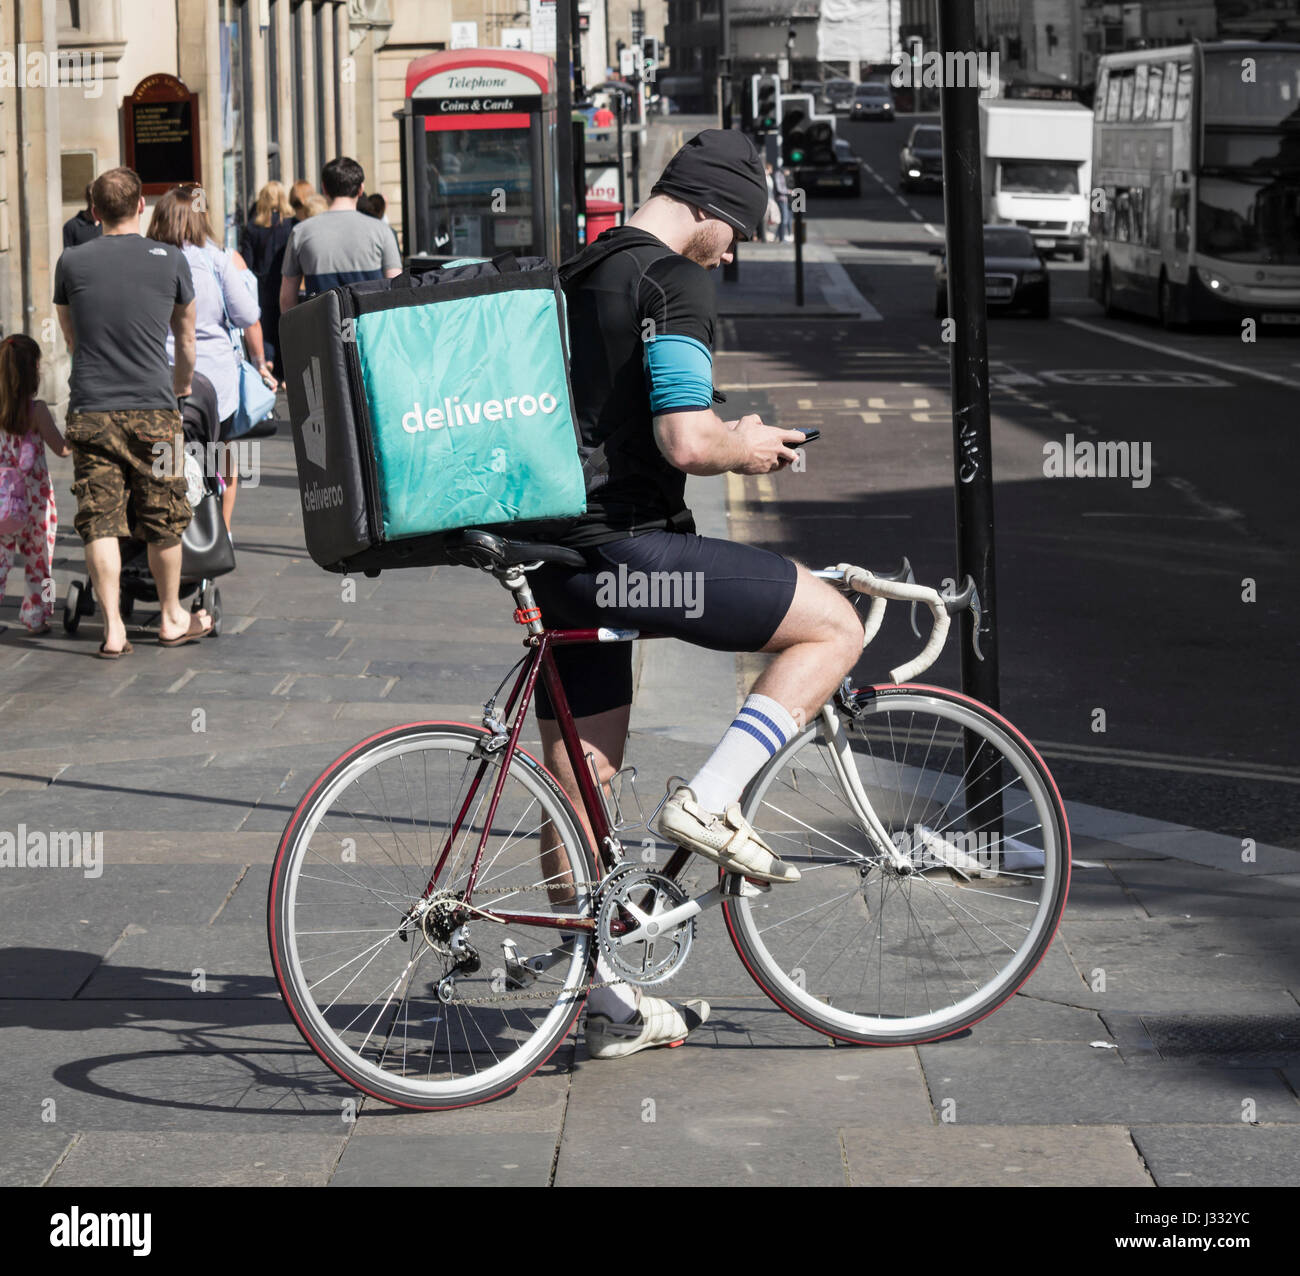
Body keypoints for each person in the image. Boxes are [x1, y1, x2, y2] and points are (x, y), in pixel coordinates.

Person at [527, 130, 864, 1058]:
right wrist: (748, 442)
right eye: (739, 232)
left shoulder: (579, 267)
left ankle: (601, 1004)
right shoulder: (672, 281)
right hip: (634, 557)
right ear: (711, 209)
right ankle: (712, 800)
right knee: (832, 626)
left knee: (579, 788)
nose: (736, 251)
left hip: (553, 553)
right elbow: (685, 440)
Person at [53, 166, 211, 654]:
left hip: (92, 407)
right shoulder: (170, 260)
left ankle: (114, 629)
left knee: (99, 518)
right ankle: (169, 616)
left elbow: (72, 336)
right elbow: (186, 339)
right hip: (154, 407)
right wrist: (180, 386)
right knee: (164, 513)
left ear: (95, 211)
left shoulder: (71, 261)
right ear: (141, 206)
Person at [148, 184, 275, 531]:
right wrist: (260, 361)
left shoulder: (149, 259)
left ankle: (173, 525)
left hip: (163, 375)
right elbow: (248, 314)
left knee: (168, 452)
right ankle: (221, 530)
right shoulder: (216, 259)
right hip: (216, 382)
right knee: (219, 450)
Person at [0, 334, 69, 634]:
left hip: (2, 500)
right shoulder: (38, 411)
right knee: (41, 562)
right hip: (36, 502)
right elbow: (62, 449)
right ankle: (39, 615)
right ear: (33, 373)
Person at [280, 157, 402, 311]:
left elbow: (287, 299)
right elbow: (397, 291)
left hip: (321, 330)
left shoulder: (301, 232)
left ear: (324, 189)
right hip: (371, 331)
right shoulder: (383, 231)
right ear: (360, 189)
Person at [239, 180, 296, 377]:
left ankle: (268, 362)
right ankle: (283, 367)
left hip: (261, 286)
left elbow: (247, 262)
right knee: (286, 323)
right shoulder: (291, 225)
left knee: (266, 326)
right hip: (286, 281)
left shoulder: (252, 228)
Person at [62, 183, 102, 250]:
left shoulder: (109, 224)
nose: (94, 201)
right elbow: (69, 258)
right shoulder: (71, 226)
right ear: (86, 197)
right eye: (91, 196)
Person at [774, 163, 793, 244]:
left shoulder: (783, 175)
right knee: (784, 219)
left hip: (786, 199)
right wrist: (788, 191)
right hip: (781, 199)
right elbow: (779, 188)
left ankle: (777, 236)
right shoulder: (778, 174)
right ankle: (781, 238)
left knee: (785, 219)